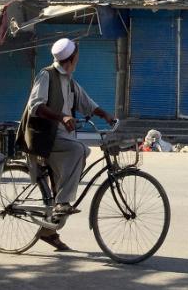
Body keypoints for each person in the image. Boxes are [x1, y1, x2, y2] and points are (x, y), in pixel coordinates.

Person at [21, 38, 116, 252]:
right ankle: (62, 202)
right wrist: (62, 117)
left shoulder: (69, 81)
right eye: (78, 57)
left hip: (59, 137)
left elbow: (86, 103)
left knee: (78, 157)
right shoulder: (47, 76)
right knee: (78, 149)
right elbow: (35, 106)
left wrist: (106, 116)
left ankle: (49, 230)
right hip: (44, 136)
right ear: (72, 58)